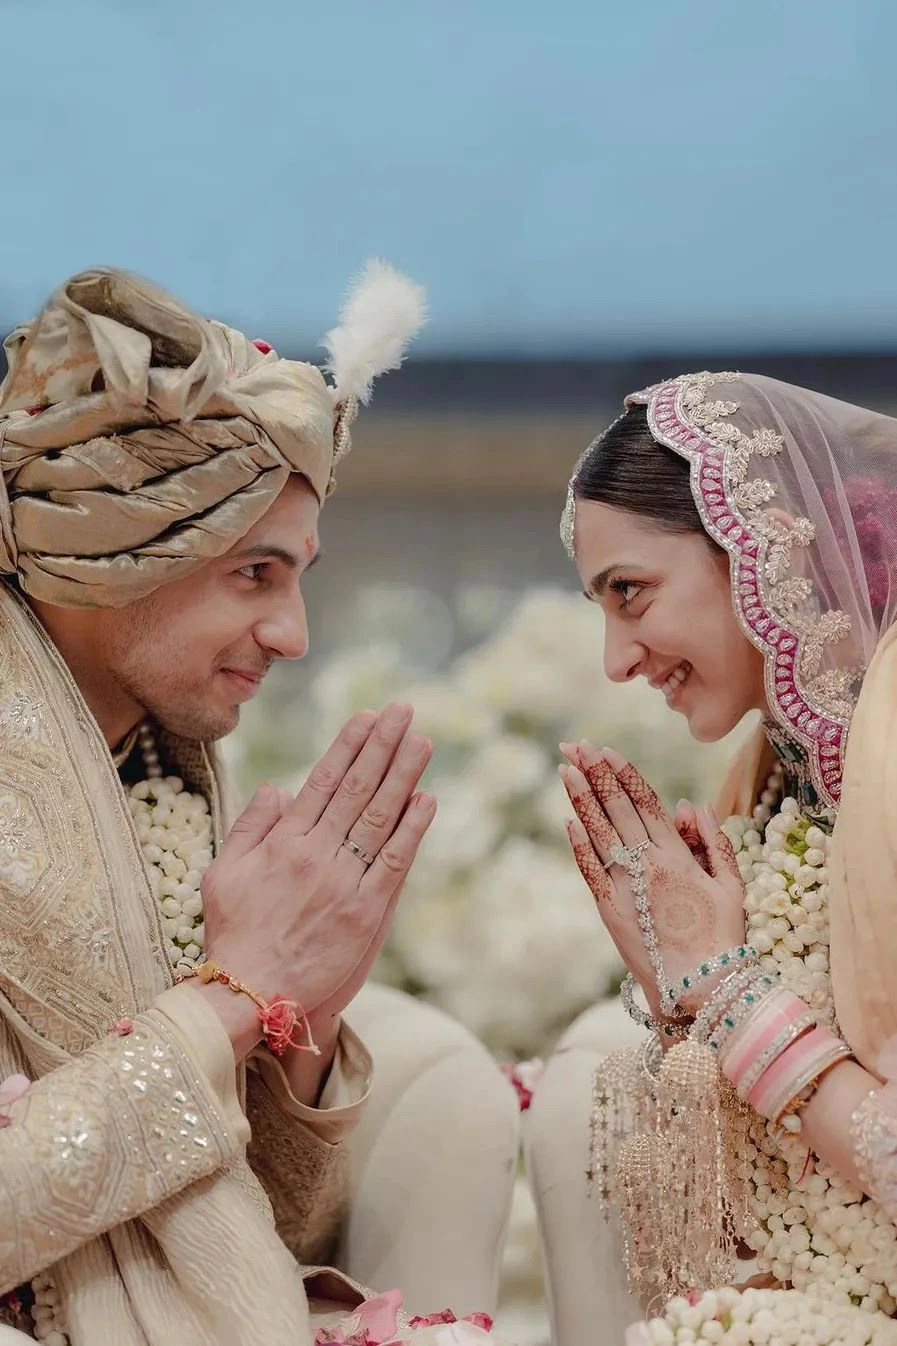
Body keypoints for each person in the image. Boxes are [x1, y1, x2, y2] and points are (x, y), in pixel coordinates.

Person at [0, 266, 518, 1345]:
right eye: (256, 574)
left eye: (300, 578)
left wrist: (303, 1024)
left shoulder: (159, 773)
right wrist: (236, 996)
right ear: (121, 551)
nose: (294, 634)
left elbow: (268, 1227)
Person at [525, 371, 897, 1345]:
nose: (616, 657)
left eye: (631, 593)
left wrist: (731, 994)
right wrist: (682, 1001)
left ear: (752, 543)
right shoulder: (769, 777)